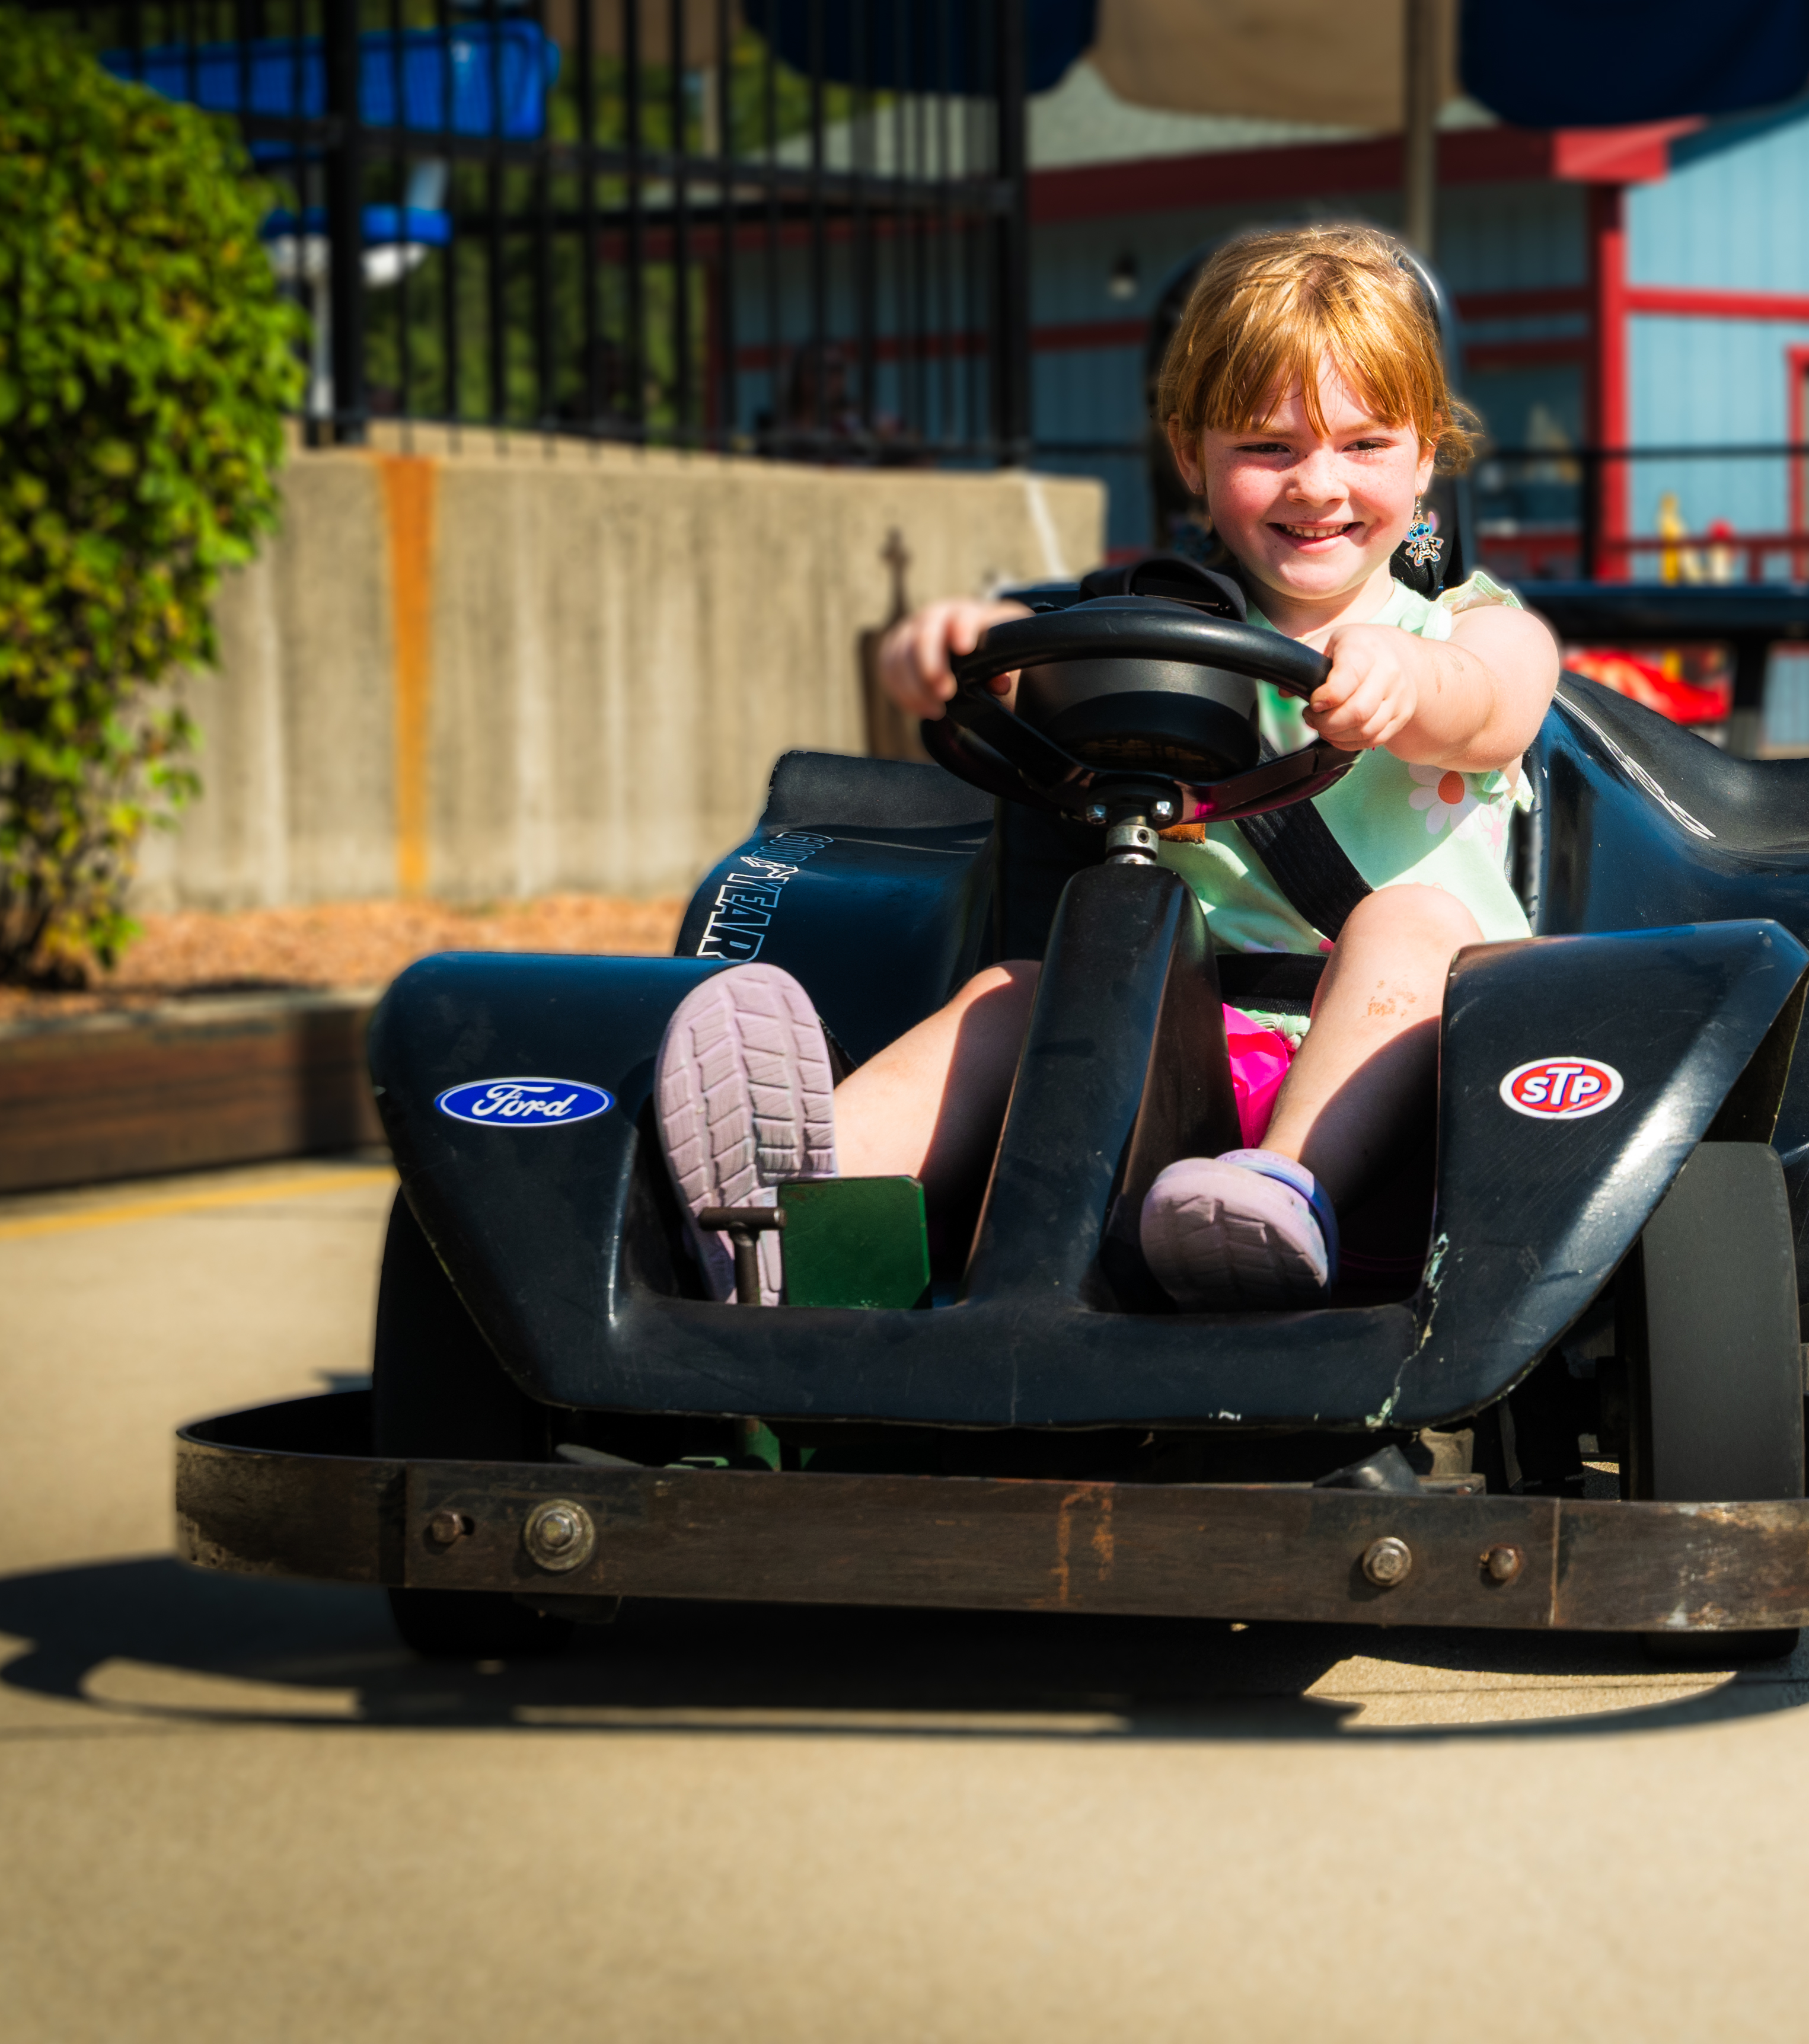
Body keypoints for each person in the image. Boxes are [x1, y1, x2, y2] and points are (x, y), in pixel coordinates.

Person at [653, 225, 1561, 1311]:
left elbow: (1497, 707)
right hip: (1168, 1059)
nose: (1319, 485)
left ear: (1425, 458)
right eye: (1269, 447)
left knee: (1408, 922)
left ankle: (1284, 1191)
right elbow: (1039, 673)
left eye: (1364, 445)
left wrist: (1409, 684)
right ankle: (779, 1205)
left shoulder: (1472, 626)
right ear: (1193, 457)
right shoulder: (1145, 628)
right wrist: (964, 652)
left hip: (1419, 1079)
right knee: (1015, 992)